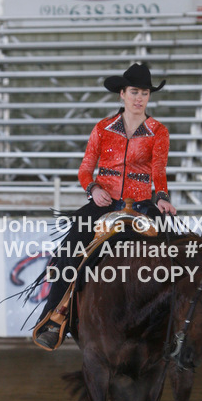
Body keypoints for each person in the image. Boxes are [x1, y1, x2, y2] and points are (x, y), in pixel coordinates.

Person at [34, 62, 176, 350]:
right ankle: (54, 317)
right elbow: (85, 169)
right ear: (122, 94)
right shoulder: (102, 128)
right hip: (104, 203)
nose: (139, 98)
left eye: (145, 93)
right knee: (68, 254)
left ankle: (180, 325)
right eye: (134, 92)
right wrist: (93, 188)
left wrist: (161, 196)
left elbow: (159, 171)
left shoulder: (159, 132)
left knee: (175, 254)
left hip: (142, 205)